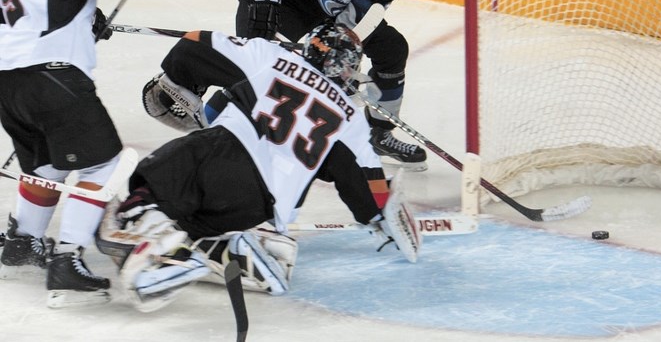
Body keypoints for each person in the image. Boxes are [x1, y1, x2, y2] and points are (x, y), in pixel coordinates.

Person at [96, 23, 421, 311]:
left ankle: (160, 248)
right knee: (195, 224)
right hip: (263, 208)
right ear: (347, 69)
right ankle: (225, 249)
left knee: (151, 183)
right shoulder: (351, 120)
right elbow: (370, 200)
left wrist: (185, 87)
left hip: (223, 153)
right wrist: (383, 213)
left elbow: (192, 44)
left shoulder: (272, 57)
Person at [0, 0, 162, 308]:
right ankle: (68, 260)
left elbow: (37, 10)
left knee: (48, 163)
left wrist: (83, 21)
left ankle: (23, 242)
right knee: (105, 162)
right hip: (50, 74)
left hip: (8, 82)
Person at [207, 0, 427, 171]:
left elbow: (359, 17)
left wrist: (341, 50)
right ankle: (211, 125)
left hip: (327, 16)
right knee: (256, 68)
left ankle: (379, 133)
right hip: (280, 2)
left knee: (392, 48)